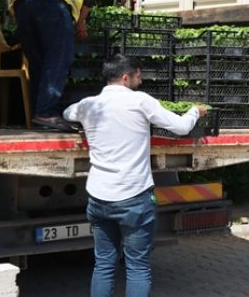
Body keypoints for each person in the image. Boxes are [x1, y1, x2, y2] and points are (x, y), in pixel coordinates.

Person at [63, 54, 207, 297]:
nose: (141, 82)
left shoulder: (88, 105)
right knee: (137, 268)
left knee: (104, 265)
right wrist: (194, 111)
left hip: (99, 198)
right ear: (125, 77)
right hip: (134, 199)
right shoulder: (140, 101)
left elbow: (68, 112)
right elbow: (181, 127)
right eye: (138, 77)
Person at [12, 0, 96, 131]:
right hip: (52, 2)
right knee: (58, 57)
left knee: (38, 61)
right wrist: (81, 23)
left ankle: (39, 114)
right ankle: (47, 113)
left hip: (22, 5)